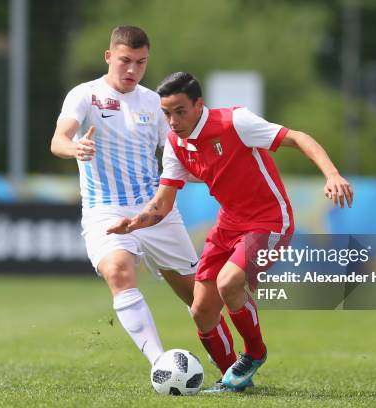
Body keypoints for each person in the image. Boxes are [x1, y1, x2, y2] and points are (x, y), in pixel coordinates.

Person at [107, 72, 353, 392]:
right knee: (201, 311)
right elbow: (163, 203)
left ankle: (254, 353)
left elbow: (298, 137)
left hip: (269, 221)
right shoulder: (175, 145)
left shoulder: (236, 122)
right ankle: (233, 380)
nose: (173, 120)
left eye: (180, 111)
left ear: (198, 105)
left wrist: (332, 174)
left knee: (229, 282)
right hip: (227, 225)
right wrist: (135, 222)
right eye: (166, 113)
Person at [50, 27, 216, 367]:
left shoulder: (155, 102)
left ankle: (229, 366)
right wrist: (75, 147)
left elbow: (177, 153)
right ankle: (161, 364)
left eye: (140, 63)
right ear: (109, 57)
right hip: (104, 211)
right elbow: (58, 140)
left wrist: (213, 172)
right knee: (118, 271)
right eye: (125, 60)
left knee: (198, 298)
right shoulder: (85, 95)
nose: (132, 70)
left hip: (155, 211)